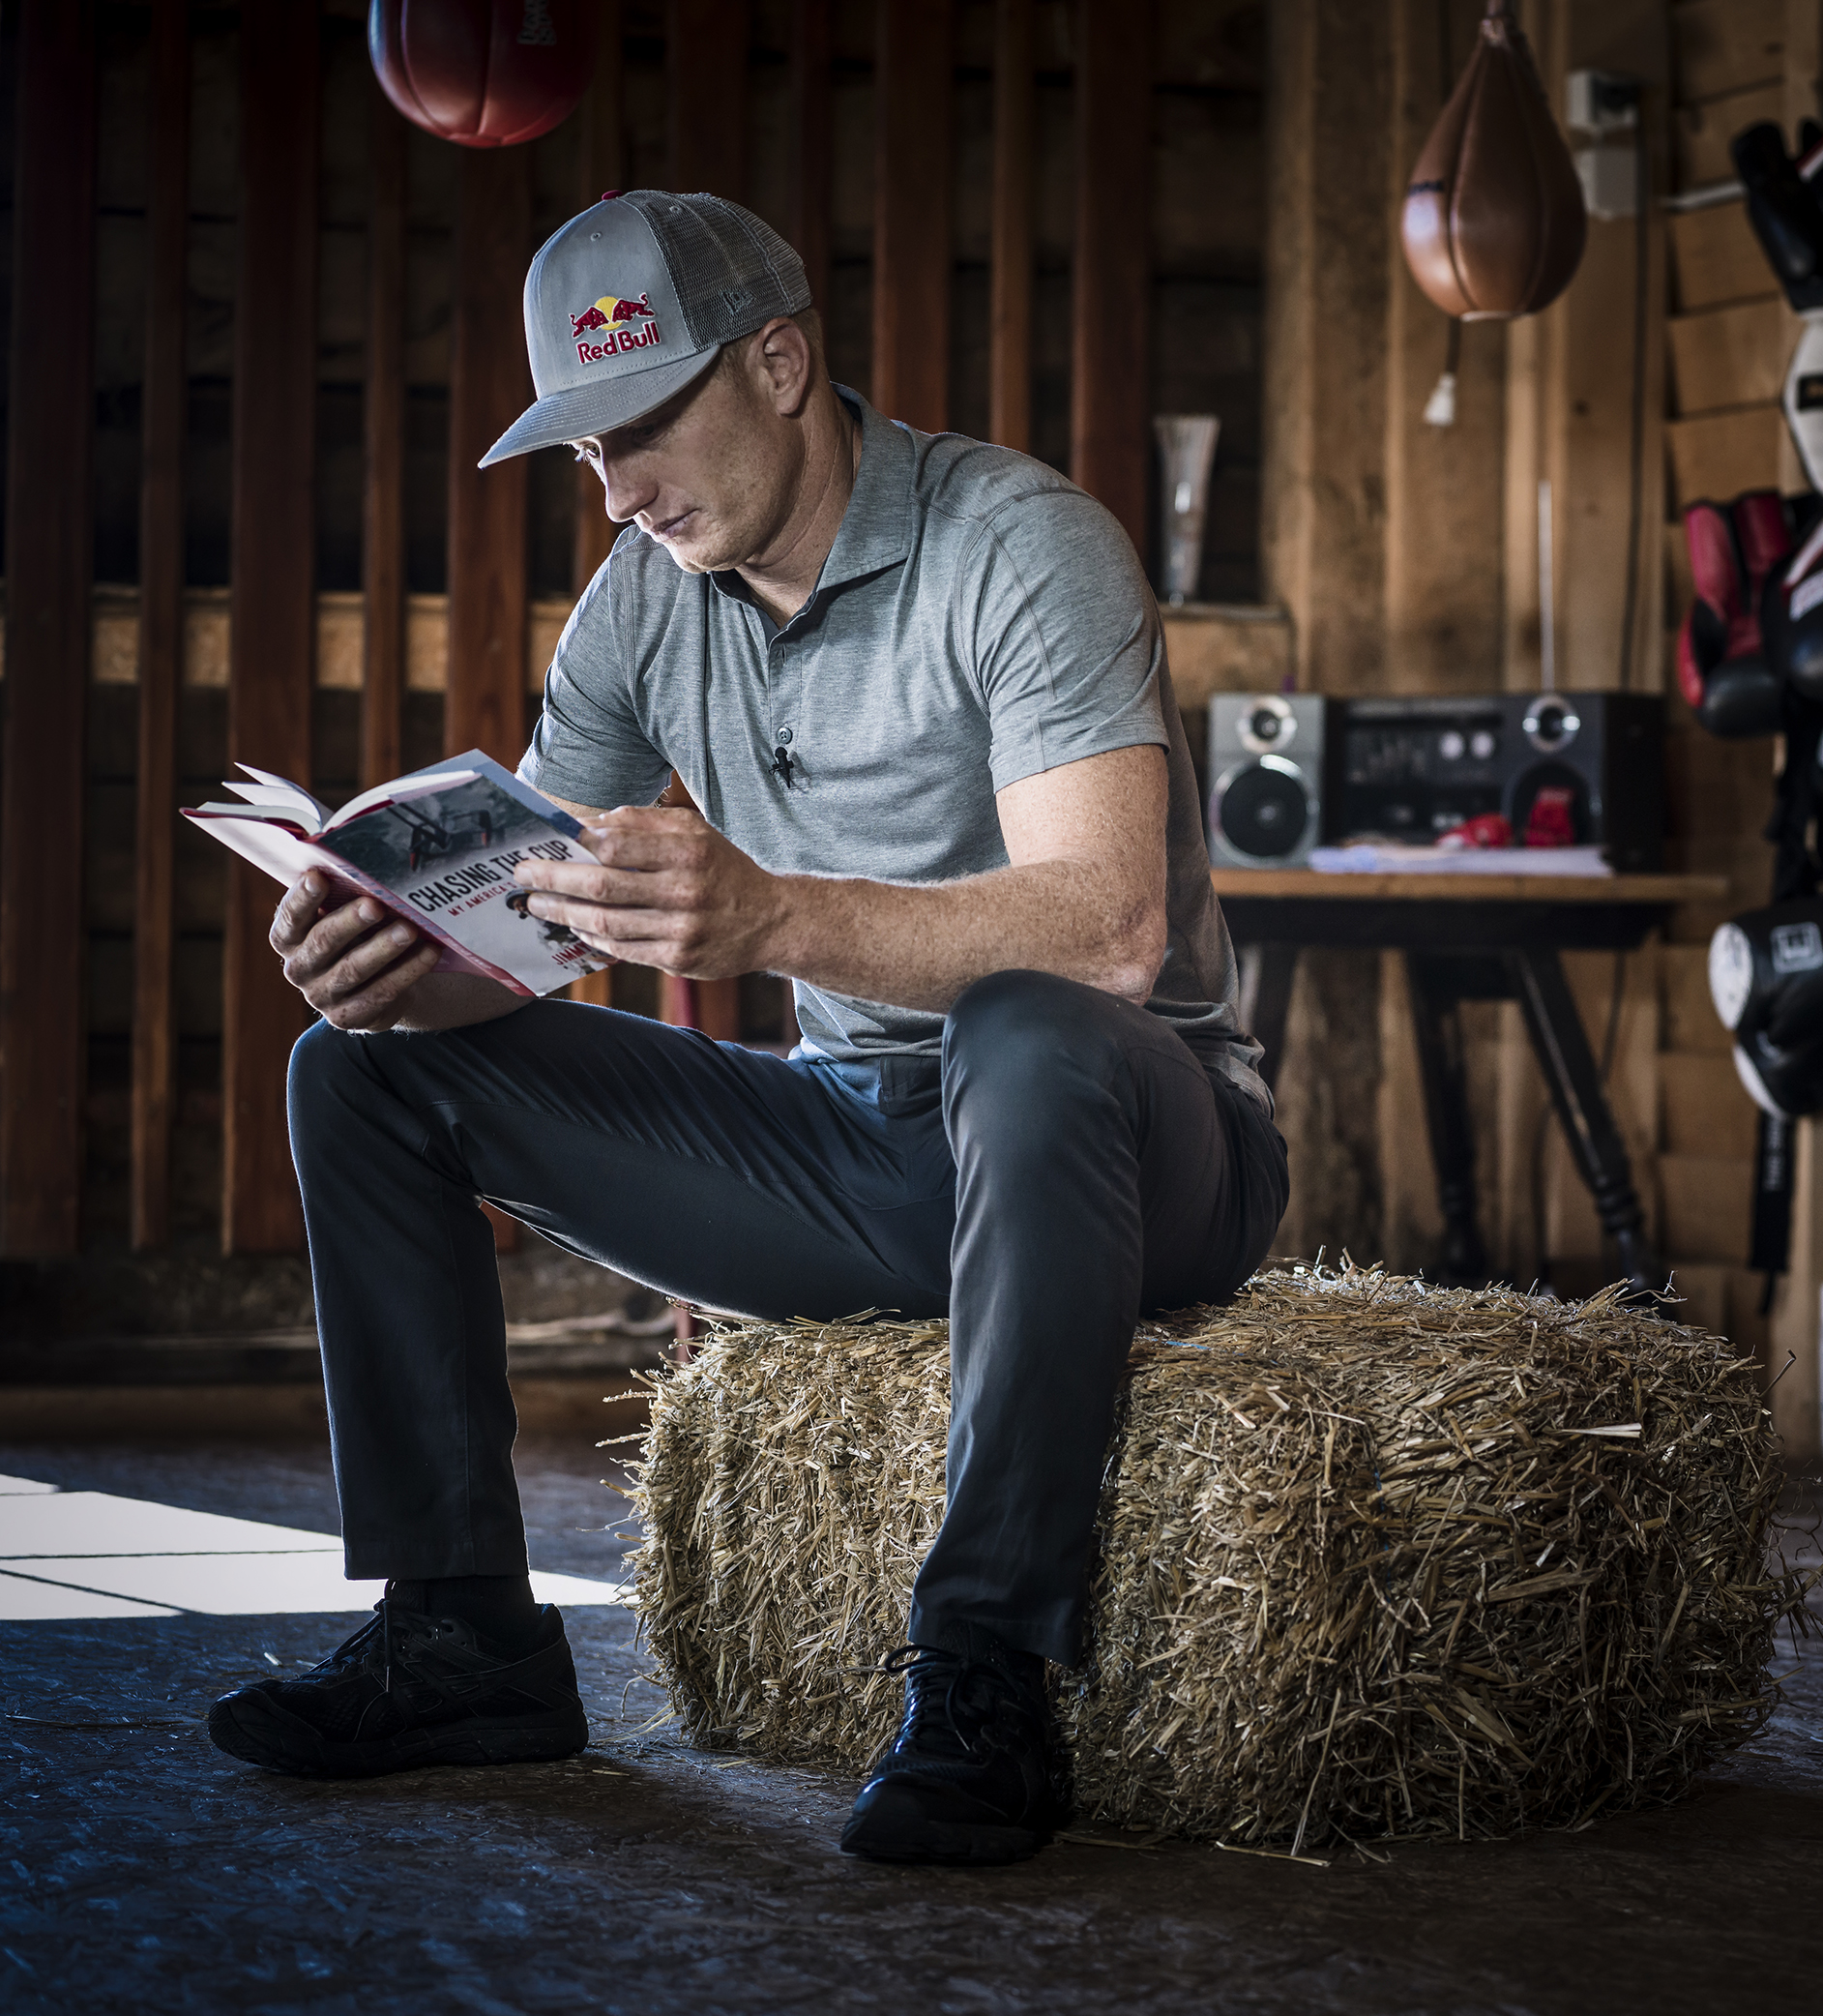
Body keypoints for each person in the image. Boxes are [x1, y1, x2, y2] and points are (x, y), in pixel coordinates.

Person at [204, 192, 1287, 1868]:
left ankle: (985, 1671)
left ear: (780, 364)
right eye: (584, 451)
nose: (618, 490)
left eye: (639, 429)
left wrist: (774, 913)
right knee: (360, 1074)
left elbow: (1110, 932)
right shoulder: (641, 602)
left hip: (1143, 1147)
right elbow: (518, 932)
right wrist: (385, 958)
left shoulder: (1019, 539)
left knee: (1026, 1030)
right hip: (860, 1142)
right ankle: (462, 1640)